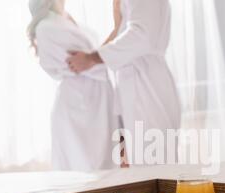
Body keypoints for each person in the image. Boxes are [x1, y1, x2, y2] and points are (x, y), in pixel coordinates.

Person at [67, 0, 181, 164]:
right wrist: (89, 58)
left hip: (146, 86)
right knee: (144, 162)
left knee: (154, 163)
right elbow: (121, 33)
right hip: (138, 84)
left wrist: (91, 59)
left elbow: (142, 35)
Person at [27, 0, 120, 171]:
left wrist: (115, 33)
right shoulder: (47, 27)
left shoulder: (65, 19)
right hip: (77, 107)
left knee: (104, 171)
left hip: (96, 102)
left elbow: (93, 57)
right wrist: (117, 30)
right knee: (82, 171)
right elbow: (88, 61)